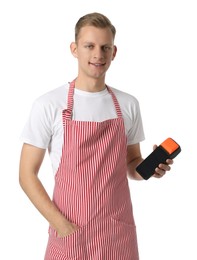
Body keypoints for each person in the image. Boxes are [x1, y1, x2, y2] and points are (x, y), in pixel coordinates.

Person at [19, 12, 173, 260]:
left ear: (114, 52)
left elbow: (131, 165)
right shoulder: (48, 104)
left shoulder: (128, 104)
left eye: (105, 47)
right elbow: (26, 175)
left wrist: (149, 168)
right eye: (89, 46)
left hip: (117, 232)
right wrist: (61, 226)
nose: (98, 55)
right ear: (74, 49)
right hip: (69, 232)